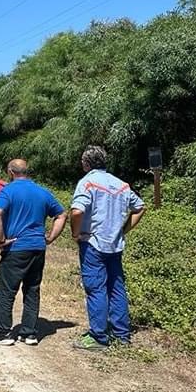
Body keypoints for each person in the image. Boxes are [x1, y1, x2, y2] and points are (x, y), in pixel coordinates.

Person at [0, 159, 67, 346]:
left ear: (10, 172)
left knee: (6, 291)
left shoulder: (8, 190)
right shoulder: (43, 192)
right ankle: (29, 333)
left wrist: (1, 239)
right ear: (27, 171)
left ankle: (2, 333)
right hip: (37, 248)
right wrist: (51, 237)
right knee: (32, 290)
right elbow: (61, 215)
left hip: (16, 248)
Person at [69, 145, 145, 352]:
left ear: (86, 163)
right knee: (116, 287)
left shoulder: (87, 182)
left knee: (95, 289)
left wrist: (76, 234)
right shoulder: (121, 184)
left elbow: (76, 212)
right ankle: (122, 335)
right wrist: (123, 230)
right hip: (115, 245)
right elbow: (140, 207)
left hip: (93, 244)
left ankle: (98, 337)